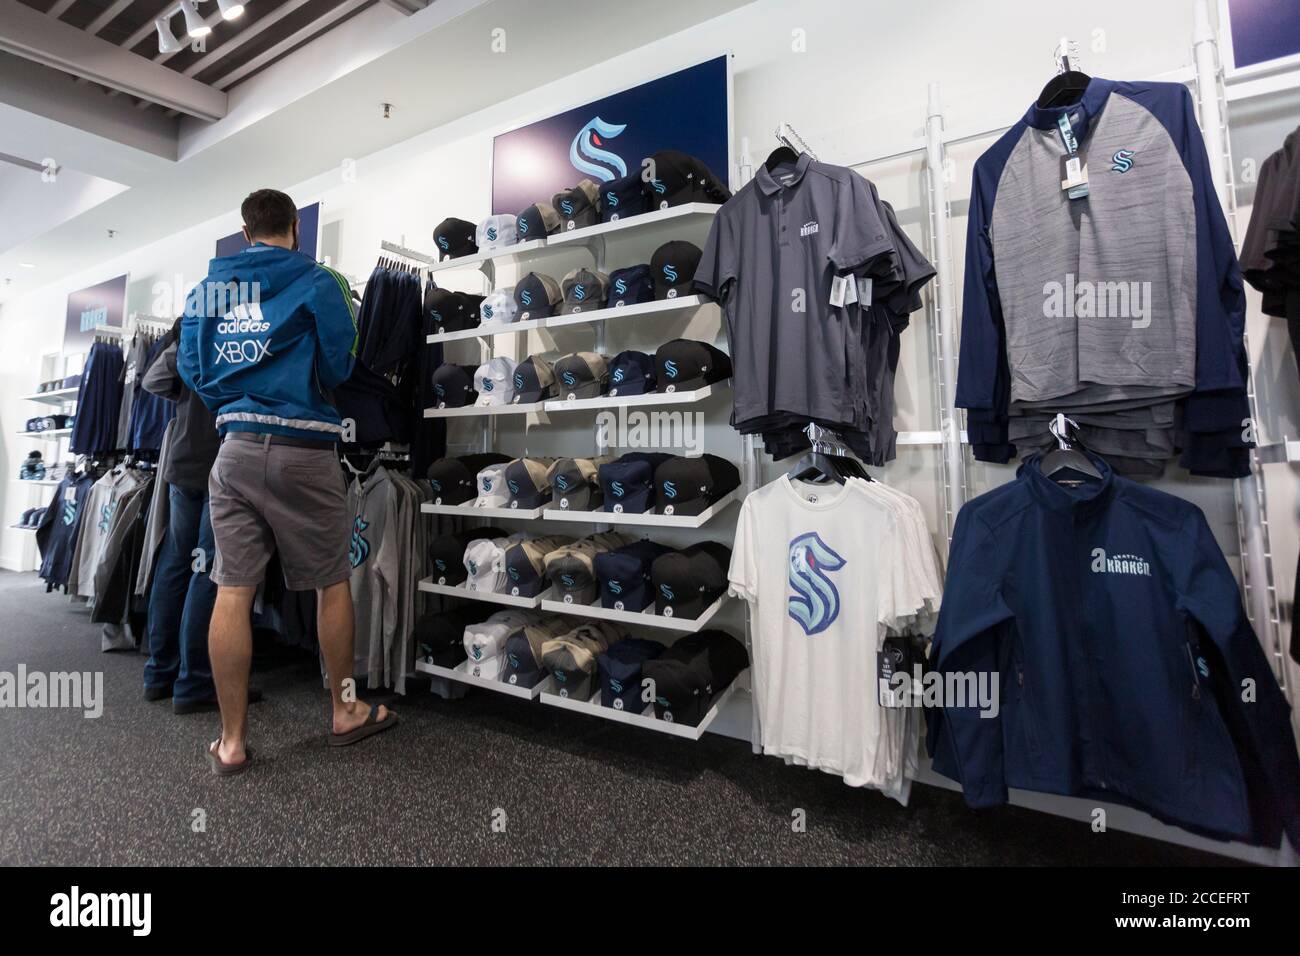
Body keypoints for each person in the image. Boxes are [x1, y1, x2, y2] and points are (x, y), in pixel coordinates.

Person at [179, 189, 397, 775]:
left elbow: (193, 370)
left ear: (245, 231)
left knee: (232, 588)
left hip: (236, 450)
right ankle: (344, 713)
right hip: (305, 449)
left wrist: (238, 400)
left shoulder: (211, 290)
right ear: (294, 228)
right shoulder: (319, 282)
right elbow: (338, 363)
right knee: (331, 583)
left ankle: (230, 742)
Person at [141, 316, 259, 714]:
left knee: (176, 563)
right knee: (206, 571)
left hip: (183, 464)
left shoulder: (190, 341)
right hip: (217, 468)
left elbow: (152, 381)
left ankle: (159, 673)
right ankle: (193, 682)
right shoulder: (241, 342)